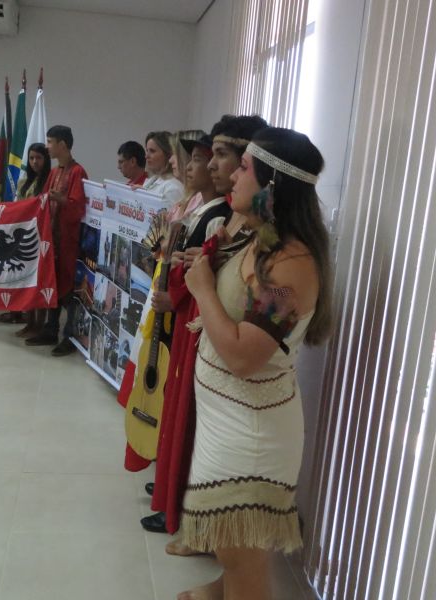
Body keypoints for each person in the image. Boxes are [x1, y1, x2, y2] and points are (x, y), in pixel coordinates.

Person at [178, 127, 332, 600]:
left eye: (243, 167)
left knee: (239, 551)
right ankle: (220, 590)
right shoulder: (263, 237)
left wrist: (203, 290)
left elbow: (245, 356)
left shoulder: (291, 267)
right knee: (232, 549)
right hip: (230, 420)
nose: (231, 176)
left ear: (271, 185)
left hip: (252, 434)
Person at [140, 118, 268, 541]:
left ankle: (194, 519)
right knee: (186, 426)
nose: (216, 168)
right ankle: (184, 511)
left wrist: (200, 280)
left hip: (237, 373)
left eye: (235, 162)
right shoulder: (236, 225)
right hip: (208, 347)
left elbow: (251, 344)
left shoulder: (282, 257)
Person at [24, 125, 88, 356]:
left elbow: (79, 209)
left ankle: (69, 337)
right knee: (52, 284)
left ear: (62, 144)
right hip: (52, 240)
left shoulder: (78, 172)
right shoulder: (53, 172)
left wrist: (61, 200)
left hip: (68, 242)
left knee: (68, 290)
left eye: (50, 142)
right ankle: (50, 329)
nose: (47, 146)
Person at [1, 143, 52, 328]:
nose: (34, 162)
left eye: (39, 158)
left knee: (39, 280)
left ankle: (39, 324)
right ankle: (29, 323)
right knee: (26, 280)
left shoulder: (49, 182)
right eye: (31, 158)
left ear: (46, 159)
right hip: (24, 236)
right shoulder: (23, 183)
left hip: (42, 236)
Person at [140, 131, 184, 208]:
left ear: (168, 155)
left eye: (152, 151)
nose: (146, 156)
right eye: (147, 150)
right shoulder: (154, 179)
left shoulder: (173, 188)